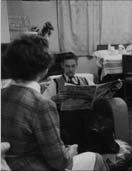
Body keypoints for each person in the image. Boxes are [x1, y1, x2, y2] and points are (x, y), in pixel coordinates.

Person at [1, 34, 109, 170]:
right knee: (96, 159)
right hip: (35, 166)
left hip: (12, 163)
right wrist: (70, 152)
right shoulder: (41, 104)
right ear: (44, 68)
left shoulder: (3, 94)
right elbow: (61, 162)